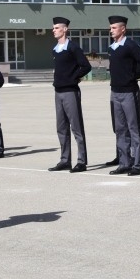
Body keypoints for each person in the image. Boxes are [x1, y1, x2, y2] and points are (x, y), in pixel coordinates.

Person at [106, 15, 140, 175]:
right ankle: (124, 162)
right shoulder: (112, 48)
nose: (111, 30)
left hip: (129, 92)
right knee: (120, 129)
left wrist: (132, 76)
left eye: (114, 28)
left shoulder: (130, 45)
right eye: (110, 28)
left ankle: (137, 164)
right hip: (115, 92)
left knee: (134, 128)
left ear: (122, 29)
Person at [47, 17, 92, 172]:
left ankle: (81, 161)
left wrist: (74, 77)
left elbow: (86, 66)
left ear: (65, 29)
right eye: (53, 28)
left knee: (76, 127)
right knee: (61, 127)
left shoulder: (73, 47)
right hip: (58, 92)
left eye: (57, 28)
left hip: (70, 92)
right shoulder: (55, 49)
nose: (54, 30)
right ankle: (65, 159)